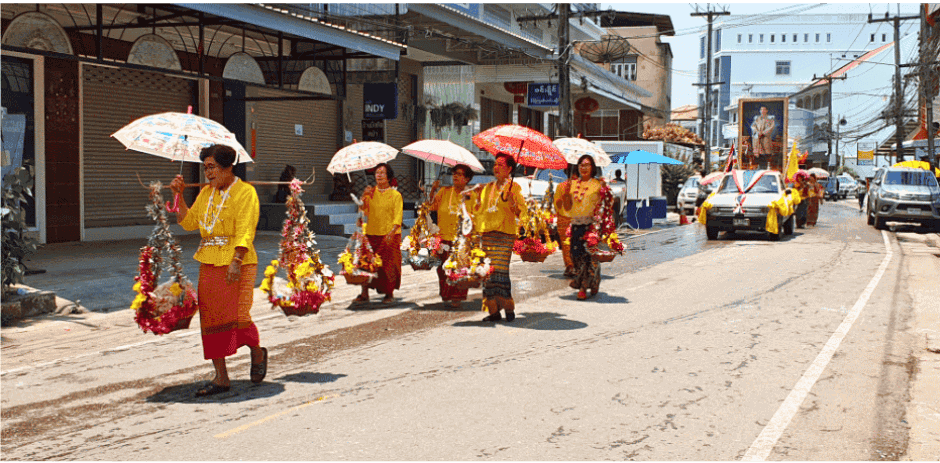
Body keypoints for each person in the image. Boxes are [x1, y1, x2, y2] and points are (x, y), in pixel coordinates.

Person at [169, 144, 266, 397]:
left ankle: (256, 351)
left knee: (238, 316)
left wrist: (236, 259)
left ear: (227, 166)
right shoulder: (205, 194)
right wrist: (178, 196)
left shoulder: (246, 193)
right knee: (211, 317)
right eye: (205, 168)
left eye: (212, 167)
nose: (208, 173)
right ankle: (221, 377)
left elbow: (246, 229)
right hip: (210, 261)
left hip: (239, 261)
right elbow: (188, 223)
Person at [471, 152, 525, 322]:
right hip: (488, 235)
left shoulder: (514, 188)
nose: (496, 167)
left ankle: (509, 309)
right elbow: (479, 211)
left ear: (509, 169)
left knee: (500, 273)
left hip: (505, 236)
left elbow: (522, 211)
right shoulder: (487, 187)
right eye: (495, 164)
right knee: (487, 273)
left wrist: (512, 203)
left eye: (501, 165)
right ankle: (493, 312)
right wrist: (476, 199)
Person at [428, 164, 478, 308]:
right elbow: (430, 207)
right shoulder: (444, 191)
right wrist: (433, 189)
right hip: (443, 237)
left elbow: (476, 215)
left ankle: (457, 296)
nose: (455, 176)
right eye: (454, 173)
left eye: (460, 174)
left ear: (467, 178)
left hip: (462, 240)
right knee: (442, 268)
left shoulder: (471, 194)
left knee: (459, 269)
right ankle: (446, 293)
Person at [356, 163, 403, 305]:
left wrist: (393, 231)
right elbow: (364, 212)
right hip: (371, 232)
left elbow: (398, 215)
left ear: (388, 176)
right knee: (366, 263)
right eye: (377, 173)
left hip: (390, 235)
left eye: (382, 172)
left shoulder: (395, 195)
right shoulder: (371, 192)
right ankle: (364, 293)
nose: (379, 175)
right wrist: (363, 197)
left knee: (388, 266)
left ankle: (389, 293)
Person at [561, 154, 605, 300]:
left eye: (586, 165)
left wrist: (598, 227)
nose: (583, 168)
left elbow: (602, 206)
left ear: (592, 168)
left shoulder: (597, 185)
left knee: (588, 257)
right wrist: (566, 194)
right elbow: (567, 208)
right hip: (575, 225)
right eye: (581, 165)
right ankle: (594, 279)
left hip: (591, 226)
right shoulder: (572, 184)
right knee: (575, 256)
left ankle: (583, 287)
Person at [553, 165, 576, 278]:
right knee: (571, 244)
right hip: (570, 220)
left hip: (566, 219)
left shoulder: (561, 186)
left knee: (567, 245)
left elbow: (556, 205)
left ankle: (570, 266)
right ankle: (572, 266)